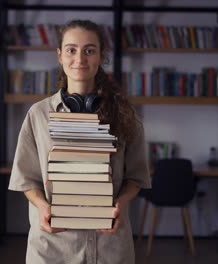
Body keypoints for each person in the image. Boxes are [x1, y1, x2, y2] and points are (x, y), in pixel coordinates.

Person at [8, 19, 151, 264]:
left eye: (89, 50)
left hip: (110, 249)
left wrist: (121, 202)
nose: (80, 59)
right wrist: (42, 206)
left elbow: (136, 177)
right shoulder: (38, 115)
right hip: (53, 249)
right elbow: (26, 179)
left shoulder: (125, 114)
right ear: (60, 56)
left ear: (101, 56)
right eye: (71, 50)